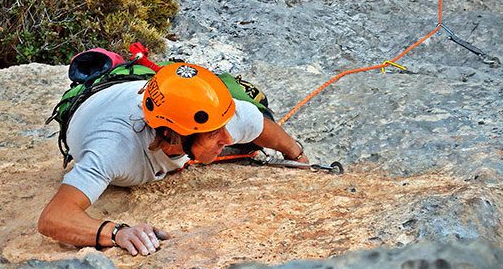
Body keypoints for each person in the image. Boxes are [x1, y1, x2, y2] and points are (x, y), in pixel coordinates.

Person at [38, 62, 308, 256]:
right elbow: (54, 218)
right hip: (97, 104)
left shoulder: (213, 119)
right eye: (215, 134)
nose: (228, 139)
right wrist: (117, 233)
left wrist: (297, 155)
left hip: (144, 92)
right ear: (173, 135)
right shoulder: (114, 147)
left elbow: (259, 125)